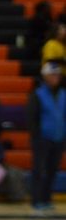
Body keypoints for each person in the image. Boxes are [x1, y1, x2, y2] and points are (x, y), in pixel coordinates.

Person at [26, 62, 65, 211]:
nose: (56, 77)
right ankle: (36, 200)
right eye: (53, 74)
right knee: (39, 170)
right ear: (45, 76)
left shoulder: (63, 95)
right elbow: (32, 118)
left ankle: (47, 199)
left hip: (58, 138)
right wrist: (36, 137)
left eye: (58, 75)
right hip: (42, 138)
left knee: (52, 170)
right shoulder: (37, 94)